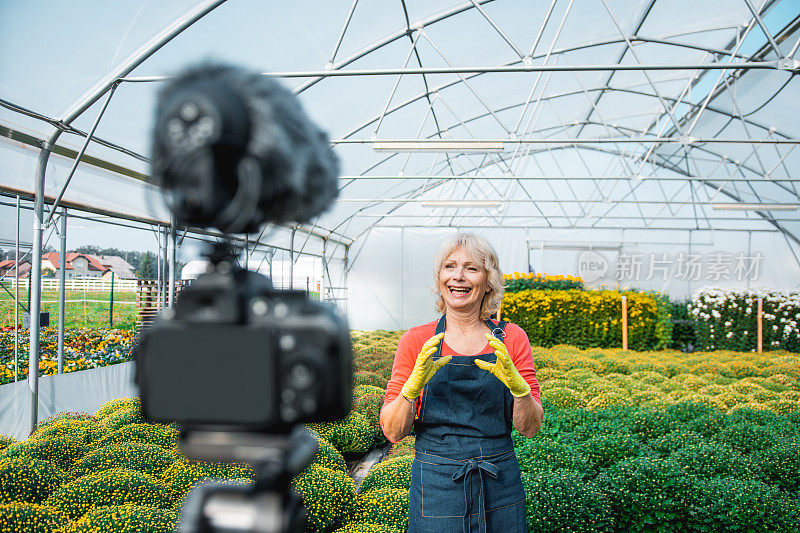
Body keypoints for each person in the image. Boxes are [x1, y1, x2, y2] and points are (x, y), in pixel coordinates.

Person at [380, 233, 543, 533]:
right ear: (439, 277)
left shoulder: (511, 339)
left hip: (499, 482)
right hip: (437, 485)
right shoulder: (416, 341)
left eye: (471, 268)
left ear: (488, 280)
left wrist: (520, 391)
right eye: (449, 266)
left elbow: (530, 428)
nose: (458, 276)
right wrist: (409, 391)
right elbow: (393, 431)